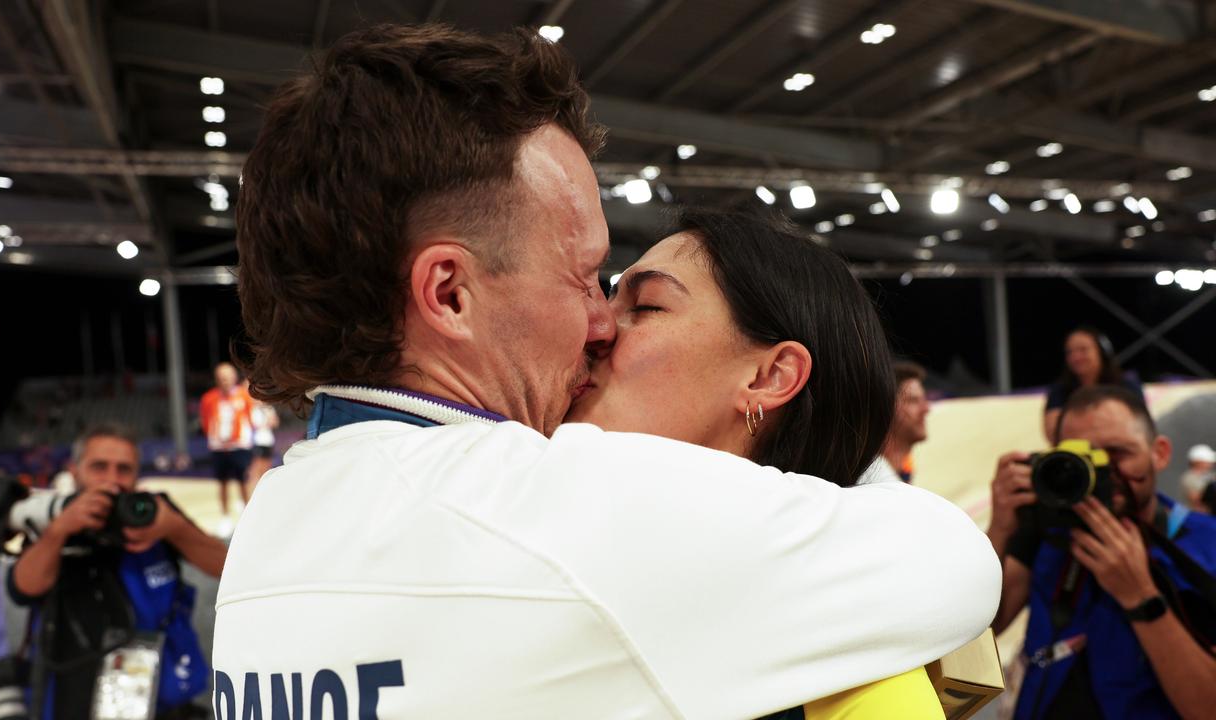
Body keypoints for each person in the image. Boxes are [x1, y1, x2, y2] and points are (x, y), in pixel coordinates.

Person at [214, 23, 999, 719]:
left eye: (639, 302)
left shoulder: (270, 529)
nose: (599, 324)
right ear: (449, 294)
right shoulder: (564, 509)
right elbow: (957, 562)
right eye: (585, 275)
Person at [565, 209, 947, 715]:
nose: (596, 326)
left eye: (648, 306)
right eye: (610, 295)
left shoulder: (862, 686)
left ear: (770, 377)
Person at [988, 385, 1216, 719]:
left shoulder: (1205, 544)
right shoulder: (1048, 527)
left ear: (1160, 454)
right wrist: (1000, 529)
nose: (1101, 471)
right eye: (1082, 458)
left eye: (1118, 453)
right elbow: (981, 628)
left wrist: (1140, 596)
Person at [8, 424, 227, 720]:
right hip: (75, 696)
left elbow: (225, 568)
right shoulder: (54, 516)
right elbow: (22, 588)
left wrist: (173, 527)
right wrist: (60, 530)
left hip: (163, 695)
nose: (112, 480)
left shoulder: (153, 512)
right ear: (74, 471)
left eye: (124, 469)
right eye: (99, 467)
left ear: (137, 474)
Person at [1042, 326, 1143, 443]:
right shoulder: (1060, 390)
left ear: (1102, 351)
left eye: (1083, 350)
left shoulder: (1126, 384)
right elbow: (1053, 434)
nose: (1076, 357)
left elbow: (1139, 426)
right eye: (1070, 352)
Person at [198, 362, 253, 528]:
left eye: (228, 377)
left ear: (234, 378)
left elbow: (250, 417)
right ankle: (225, 517)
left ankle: (247, 515)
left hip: (239, 446)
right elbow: (206, 421)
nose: (225, 381)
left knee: (243, 481)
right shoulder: (208, 398)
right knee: (222, 482)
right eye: (222, 378)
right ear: (216, 380)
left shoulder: (244, 395)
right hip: (219, 447)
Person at [858, 361, 930, 485]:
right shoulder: (872, 479)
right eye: (913, 400)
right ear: (887, 407)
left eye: (923, 400)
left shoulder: (893, 476)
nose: (926, 409)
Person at [243, 379, 280, 494]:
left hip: (267, 441)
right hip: (255, 442)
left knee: (266, 470)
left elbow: (275, 422)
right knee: (254, 470)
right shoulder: (249, 408)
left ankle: (263, 494)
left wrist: (268, 419)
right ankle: (250, 497)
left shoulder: (267, 408)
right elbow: (251, 425)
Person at [1180, 443, 1216, 510]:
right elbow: (1196, 500)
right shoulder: (1189, 477)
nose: (1211, 463)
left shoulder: (1210, 475)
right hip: (1197, 516)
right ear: (1198, 461)